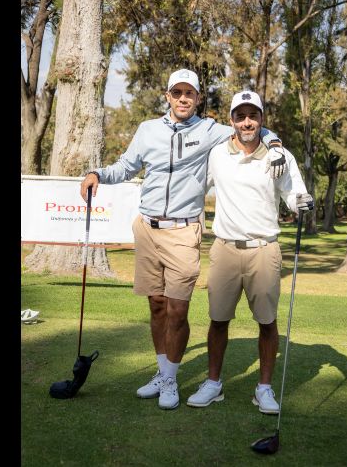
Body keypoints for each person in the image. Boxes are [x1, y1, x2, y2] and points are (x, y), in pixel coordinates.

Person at [79, 69, 288, 410]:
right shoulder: (147, 130)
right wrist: (97, 174)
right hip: (146, 228)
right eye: (177, 93)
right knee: (157, 305)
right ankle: (164, 374)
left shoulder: (209, 131)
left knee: (177, 308)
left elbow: (250, 126)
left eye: (189, 93)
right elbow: (126, 166)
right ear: (168, 96)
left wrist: (275, 142)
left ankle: (172, 380)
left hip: (183, 230)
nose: (183, 99)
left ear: (198, 98)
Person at [185, 90, 314, 414]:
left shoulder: (278, 156)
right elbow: (197, 187)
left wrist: (301, 201)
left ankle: (264, 389)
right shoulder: (217, 154)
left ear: (261, 119)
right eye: (241, 116)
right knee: (218, 320)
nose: (247, 122)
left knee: (267, 323)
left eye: (253, 115)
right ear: (232, 120)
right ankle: (213, 384)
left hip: (264, 249)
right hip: (225, 249)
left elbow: (293, 192)